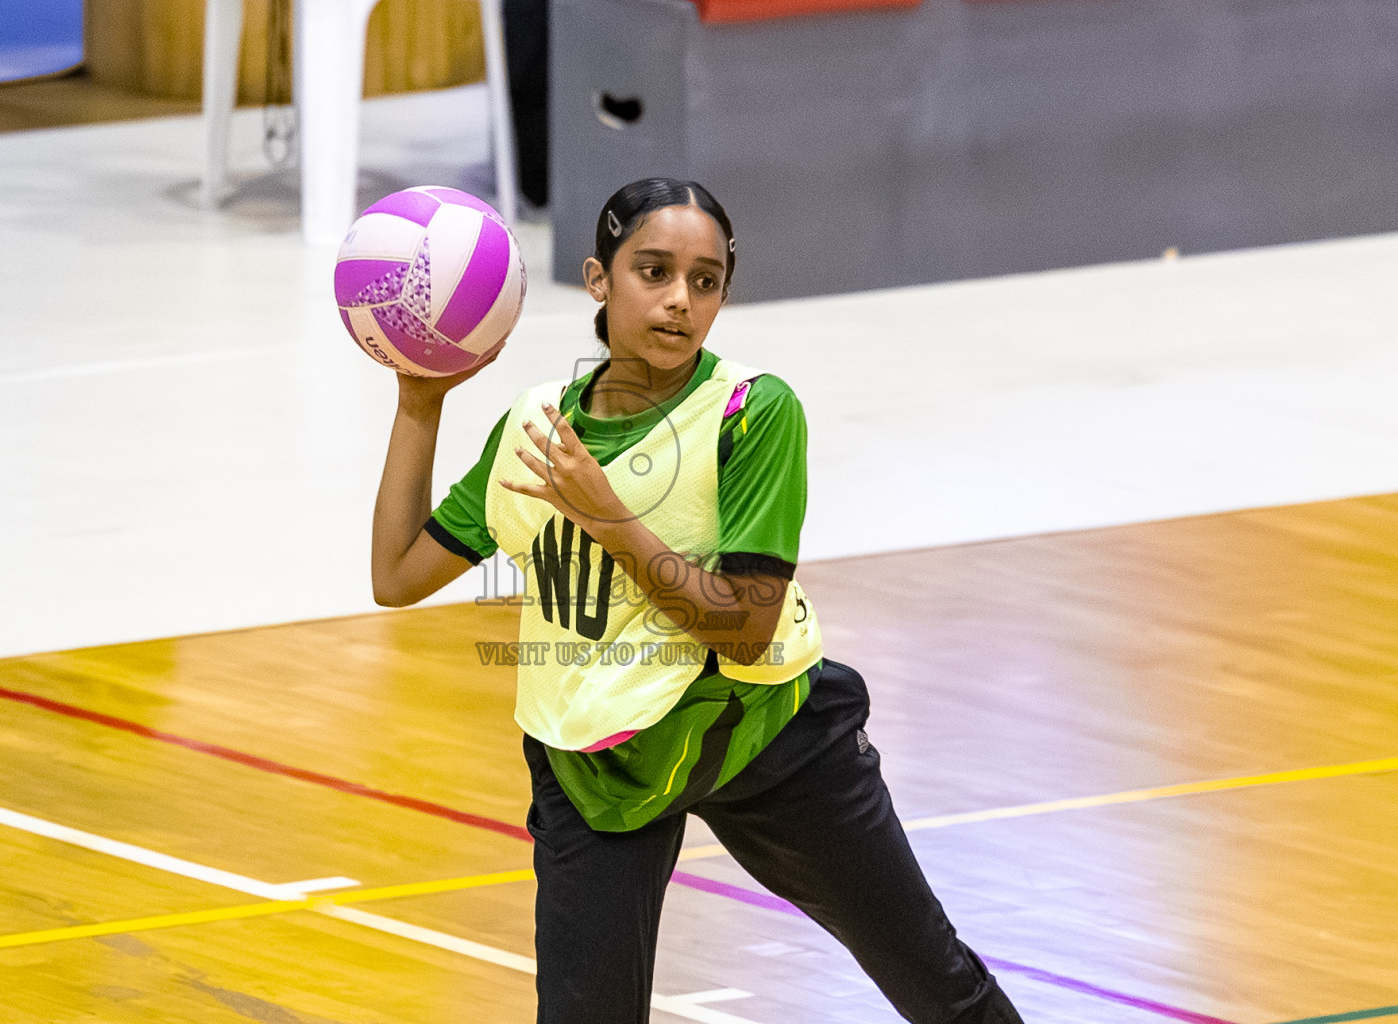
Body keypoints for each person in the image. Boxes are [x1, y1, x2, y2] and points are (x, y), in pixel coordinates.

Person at [369, 178, 1026, 1024]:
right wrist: (419, 402)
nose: (681, 300)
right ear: (597, 279)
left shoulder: (753, 412)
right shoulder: (533, 428)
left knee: (934, 981)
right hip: (597, 755)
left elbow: (748, 629)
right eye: (653, 271)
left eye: (706, 281)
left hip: (765, 732)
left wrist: (609, 517)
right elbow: (396, 575)